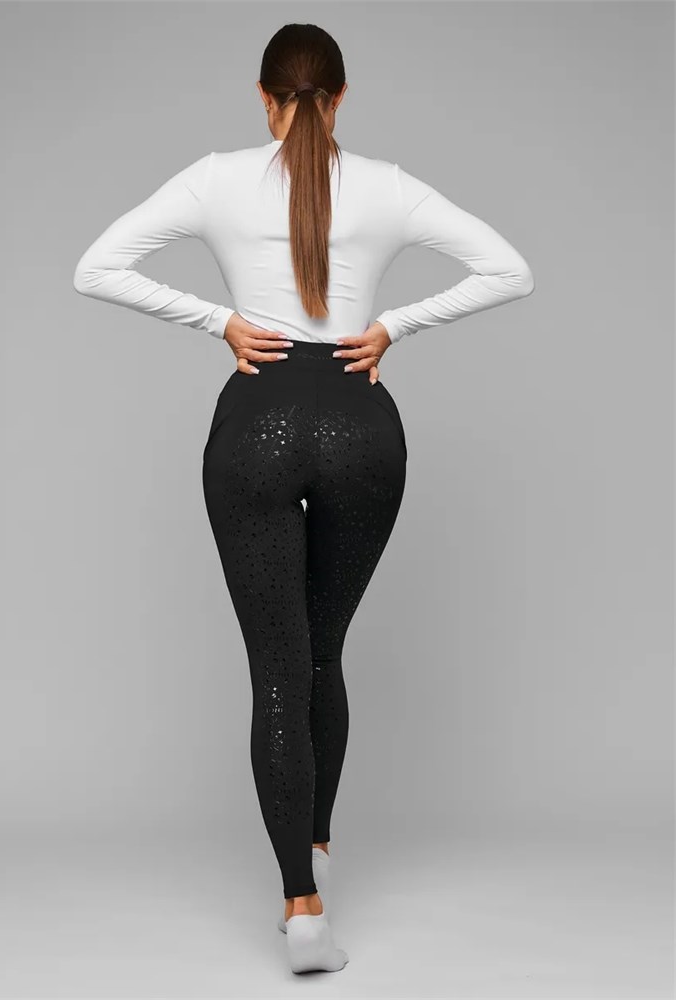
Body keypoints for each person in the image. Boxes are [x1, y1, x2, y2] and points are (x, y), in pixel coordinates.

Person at [72, 22, 534, 975]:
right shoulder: (389, 185)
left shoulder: (216, 178)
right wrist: (393, 326)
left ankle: (302, 907)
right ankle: (316, 841)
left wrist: (219, 321)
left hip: (256, 428)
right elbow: (510, 271)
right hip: (363, 429)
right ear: (343, 97)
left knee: (279, 670)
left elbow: (96, 268)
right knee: (323, 651)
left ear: (263, 97)